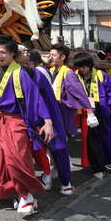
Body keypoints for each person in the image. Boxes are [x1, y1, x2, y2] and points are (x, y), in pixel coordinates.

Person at [0, 35, 53, 215]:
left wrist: (47, 121)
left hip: (17, 121)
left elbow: (36, 98)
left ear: (12, 54)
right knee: (4, 161)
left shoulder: (21, 72)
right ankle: (20, 194)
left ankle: (28, 196)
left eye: (3, 52)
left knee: (17, 159)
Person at [25, 50, 73, 194]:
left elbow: (36, 97)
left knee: (51, 147)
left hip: (45, 115)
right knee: (56, 148)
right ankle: (61, 181)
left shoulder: (36, 73)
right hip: (49, 113)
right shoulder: (43, 71)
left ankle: (57, 179)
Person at [73, 52, 111, 180]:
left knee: (107, 139)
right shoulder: (75, 77)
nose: (82, 69)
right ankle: (97, 168)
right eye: (79, 66)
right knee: (91, 142)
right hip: (85, 113)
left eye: (84, 66)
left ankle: (110, 159)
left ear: (89, 64)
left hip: (102, 111)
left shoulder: (101, 75)